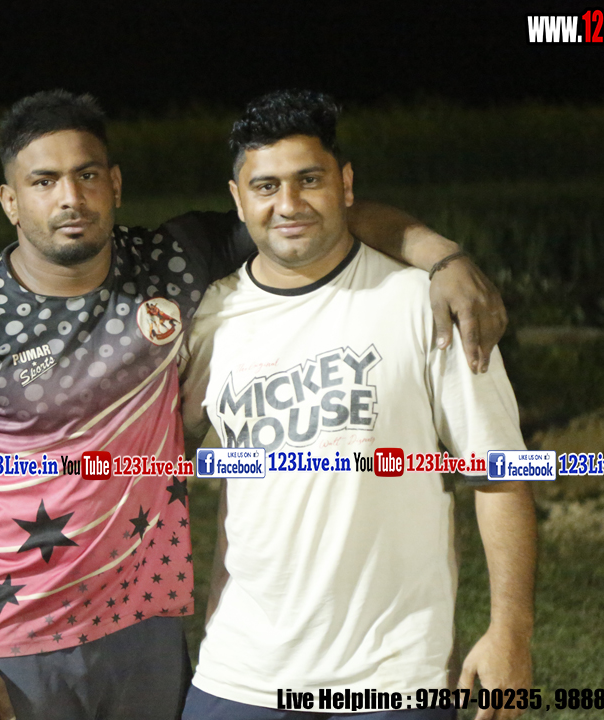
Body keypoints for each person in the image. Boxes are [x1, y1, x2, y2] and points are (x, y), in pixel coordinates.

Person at [0, 89, 510, 720]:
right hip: (18, 630)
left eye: (87, 175)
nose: (70, 197)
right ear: (10, 201)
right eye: (43, 181)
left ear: (115, 184)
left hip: (148, 621)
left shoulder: (172, 263)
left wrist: (443, 258)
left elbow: (308, 217)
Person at [179, 90, 536, 720]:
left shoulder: (423, 303)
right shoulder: (213, 315)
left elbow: (501, 474)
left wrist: (511, 631)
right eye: (265, 187)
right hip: (239, 675)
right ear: (238, 199)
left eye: (309, 180)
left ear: (345, 184)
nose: (288, 203)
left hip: (392, 679)